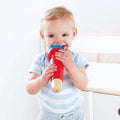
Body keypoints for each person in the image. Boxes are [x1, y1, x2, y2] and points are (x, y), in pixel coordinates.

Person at [26, 6, 89, 120]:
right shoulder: (41, 60)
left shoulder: (76, 58)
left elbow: (82, 85)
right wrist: (42, 79)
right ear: (42, 36)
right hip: (48, 116)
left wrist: (70, 65)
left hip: (74, 115)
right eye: (51, 35)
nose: (59, 41)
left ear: (73, 34)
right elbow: (30, 89)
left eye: (64, 35)